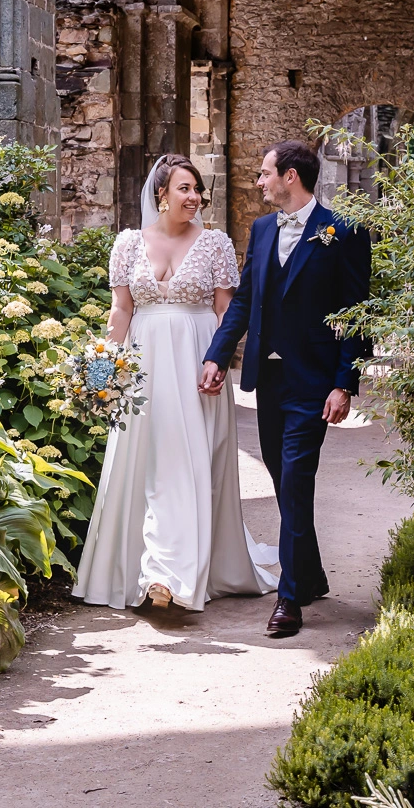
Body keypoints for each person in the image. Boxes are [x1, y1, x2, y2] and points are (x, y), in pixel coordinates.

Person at [71, 154, 278, 611]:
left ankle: (169, 577)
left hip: (196, 363)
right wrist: (106, 365)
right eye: (185, 188)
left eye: (197, 189)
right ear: (161, 193)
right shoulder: (128, 244)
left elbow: (227, 311)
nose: (195, 197)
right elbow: (121, 311)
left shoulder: (215, 244)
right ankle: (144, 572)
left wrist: (220, 361)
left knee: (188, 465)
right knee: (148, 463)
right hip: (144, 365)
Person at [201, 140, 372, 638]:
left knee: (296, 479)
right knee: (283, 482)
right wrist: (217, 354)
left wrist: (344, 384)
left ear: (290, 176)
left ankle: (291, 598)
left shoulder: (344, 232)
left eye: (265, 174)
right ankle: (312, 573)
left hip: (313, 382)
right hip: (267, 380)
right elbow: (245, 300)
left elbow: (356, 316)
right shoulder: (260, 230)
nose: (259, 182)